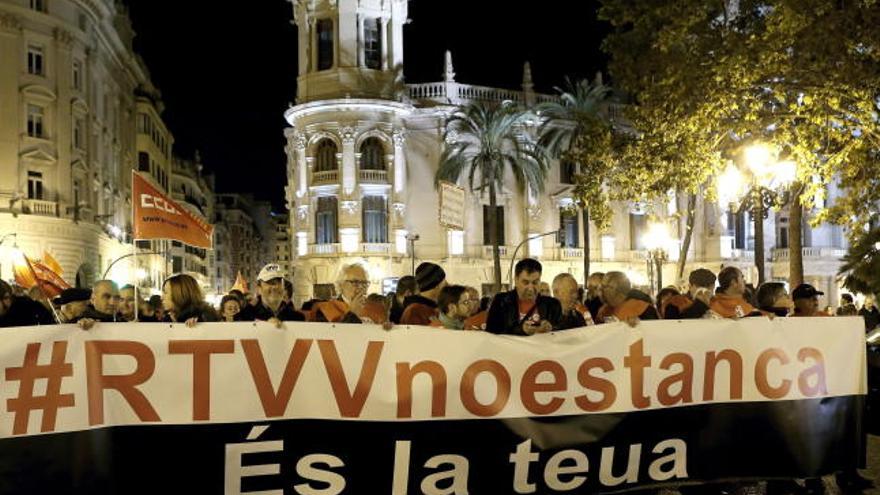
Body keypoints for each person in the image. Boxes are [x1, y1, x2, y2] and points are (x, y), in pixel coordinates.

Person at [486, 258, 561, 335]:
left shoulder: (552, 305)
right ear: (516, 280)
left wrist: (551, 328)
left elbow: (563, 331)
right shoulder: (501, 302)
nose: (531, 288)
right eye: (525, 282)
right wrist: (521, 330)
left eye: (535, 282)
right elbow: (491, 334)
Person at [238, 264, 305, 326]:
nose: (275, 287)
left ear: (284, 288)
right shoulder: (245, 316)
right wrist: (265, 325)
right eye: (270, 282)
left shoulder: (298, 318)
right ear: (259, 289)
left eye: (279, 282)